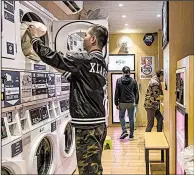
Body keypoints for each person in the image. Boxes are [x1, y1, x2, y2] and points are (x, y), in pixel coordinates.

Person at [27, 24, 109, 175]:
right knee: (94, 167)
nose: (83, 39)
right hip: (98, 124)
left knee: (88, 171)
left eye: (85, 36)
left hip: (87, 126)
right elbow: (78, 80)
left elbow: (53, 57)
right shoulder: (102, 63)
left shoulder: (84, 59)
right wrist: (61, 68)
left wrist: (35, 39)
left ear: (92, 39)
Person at [114, 66, 139, 140]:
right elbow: (136, 92)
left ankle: (124, 130)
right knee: (131, 119)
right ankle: (131, 135)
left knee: (121, 117)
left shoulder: (119, 80)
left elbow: (117, 93)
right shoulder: (133, 81)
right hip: (131, 102)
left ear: (122, 72)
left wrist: (116, 103)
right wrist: (136, 102)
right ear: (129, 72)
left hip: (122, 102)